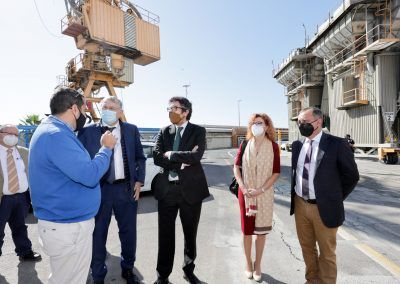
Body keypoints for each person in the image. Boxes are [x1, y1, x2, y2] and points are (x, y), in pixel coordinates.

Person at [29, 88, 116, 284]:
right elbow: (90, 175)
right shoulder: (56, 135)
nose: (85, 115)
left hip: (63, 224)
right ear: (75, 109)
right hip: (68, 228)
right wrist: (106, 148)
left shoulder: (50, 130)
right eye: (85, 110)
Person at [78, 96, 146, 284]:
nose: (107, 110)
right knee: (98, 234)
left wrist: (139, 181)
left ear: (121, 111)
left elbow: (140, 157)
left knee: (128, 232)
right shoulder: (87, 133)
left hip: (126, 189)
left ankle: (128, 268)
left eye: (111, 107)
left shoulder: (131, 130)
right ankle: (98, 274)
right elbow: (81, 163)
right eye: (104, 107)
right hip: (98, 191)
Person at [290, 107, 359, 284]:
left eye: (305, 122)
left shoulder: (337, 144)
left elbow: (351, 176)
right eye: (299, 122)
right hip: (300, 204)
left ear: (318, 122)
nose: (301, 125)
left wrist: (333, 198)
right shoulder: (298, 145)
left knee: (327, 253)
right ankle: (311, 280)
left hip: (325, 207)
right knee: (307, 248)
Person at [152, 97, 209, 284]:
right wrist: (183, 160)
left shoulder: (198, 131)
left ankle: (189, 270)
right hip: (167, 190)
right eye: (169, 107)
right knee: (165, 235)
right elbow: (156, 157)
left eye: (175, 108)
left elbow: (197, 155)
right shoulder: (164, 131)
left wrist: (172, 154)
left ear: (185, 112)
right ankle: (163, 275)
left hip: (191, 191)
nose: (171, 111)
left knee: (190, 234)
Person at [233, 113, 280, 282]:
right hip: (245, 194)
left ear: (267, 126)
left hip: (264, 193)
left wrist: (260, 190)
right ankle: (248, 263)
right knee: (247, 231)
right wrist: (243, 187)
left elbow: (276, 172)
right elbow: (236, 167)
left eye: (259, 123)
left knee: (261, 233)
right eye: (253, 123)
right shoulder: (245, 144)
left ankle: (258, 265)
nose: (256, 126)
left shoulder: (273, 147)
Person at [0, 125, 41, 261]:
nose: (13, 137)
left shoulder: (24, 152)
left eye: (16, 135)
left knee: (20, 227)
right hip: (3, 199)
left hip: (21, 197)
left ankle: (25, 251)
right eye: (9, 133)